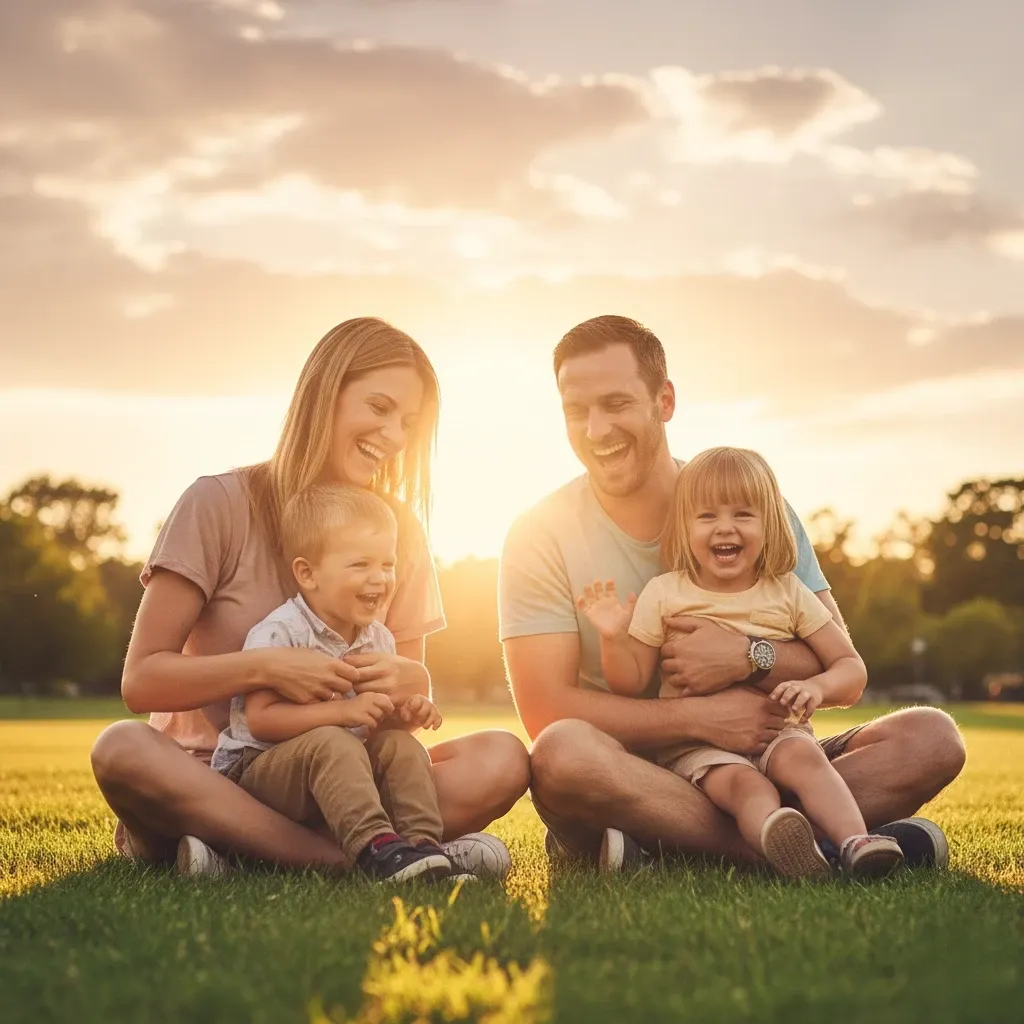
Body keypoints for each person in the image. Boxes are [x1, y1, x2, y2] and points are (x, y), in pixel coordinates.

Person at [499, 315, 965, 872]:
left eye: (616, 403)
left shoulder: (752, 506)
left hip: (774, 752)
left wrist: (747, 655)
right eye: (578, 411)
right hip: (634, 767)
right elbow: (546, 709)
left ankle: (668, 845)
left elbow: (835, 664)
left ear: (663, 401)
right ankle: (819, 844)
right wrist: (703, 720)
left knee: (932, 738)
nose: (596, 429)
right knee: (561, 752)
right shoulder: (539, 532)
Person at [91, 317, 528, 879]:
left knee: (501, 757)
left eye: (409, 423)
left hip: (347, 778)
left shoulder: (398, 532)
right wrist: (267, 667)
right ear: (325, 394)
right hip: (221, 777)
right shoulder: (217, 503)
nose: (394, 436)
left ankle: (242, 851)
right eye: (378, 407)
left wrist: (408, 688)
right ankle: (352, 858)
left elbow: (405, 695)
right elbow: (142, 680)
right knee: (122, 750)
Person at [577, 447, 903, 878]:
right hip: (700, 749)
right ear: (683, 527)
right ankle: (781, 843)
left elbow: (850, 668)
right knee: (744, 785)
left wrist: (817, 687)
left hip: (780, 733)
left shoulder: (787, 591)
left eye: (743, 515)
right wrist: (613, 637)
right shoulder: (665, 592)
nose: (724, 528)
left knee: (806, 763)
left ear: (770, 523)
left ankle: (854, 841)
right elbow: (629, 680)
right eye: (707, 516)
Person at [206, 484, 454, 883]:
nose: (379, 579)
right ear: (307, 573)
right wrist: (342, 712)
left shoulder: (379, 638)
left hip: (340, 769)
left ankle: (424, 849)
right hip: (258, 774)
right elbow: (261, 721)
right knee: (334, 740)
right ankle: (376, 849)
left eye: (387, 565)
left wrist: (406, 711)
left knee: (401, 746)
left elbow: (377, 722)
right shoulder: (279, 632)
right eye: (360, 565)